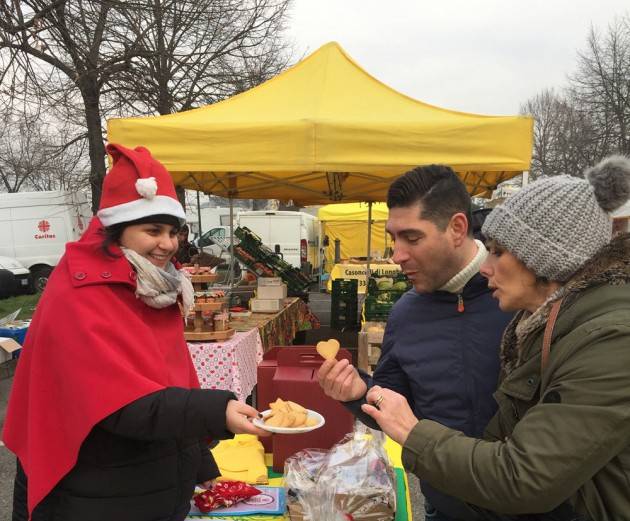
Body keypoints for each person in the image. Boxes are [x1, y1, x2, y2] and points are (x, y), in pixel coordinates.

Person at [3, 144, 268, 521]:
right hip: (97, 489)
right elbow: (120, 405)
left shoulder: (149, 285)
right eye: (153, 230)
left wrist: (200, 464)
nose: (168, 244)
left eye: (174, 232)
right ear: (117, 230)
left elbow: (168, 380)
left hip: (145, 483)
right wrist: (217, 410)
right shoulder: (81, 293)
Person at [361, 156, 630, 520]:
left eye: (499, 252)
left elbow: (523, 476)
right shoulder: (539, 323)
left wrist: (414, 433)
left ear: (546, 259)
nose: (486, 267)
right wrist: (359, 393)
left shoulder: (608, 338)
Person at [318, 165, 514, 520]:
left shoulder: (519, 297)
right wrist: (358, 391)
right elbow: (394, 402)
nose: (397, 255)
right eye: (394, 238)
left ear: (456, 228)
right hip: (445, 509)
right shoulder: (406, 313)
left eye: (412, 238)